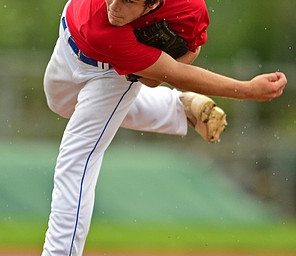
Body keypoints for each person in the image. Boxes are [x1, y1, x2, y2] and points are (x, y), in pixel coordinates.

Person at [41, 0, 287, 255]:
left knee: (77, 159)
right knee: (60, 103)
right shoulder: (107, 17)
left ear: (152, 4)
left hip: (112, 75)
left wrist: (148, 67)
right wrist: (245, 90)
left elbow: (181, 63)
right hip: (69, 31)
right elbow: (168, 74)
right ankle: (178, 107)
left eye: (128, 1)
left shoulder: (188, 7)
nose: (114, 5)